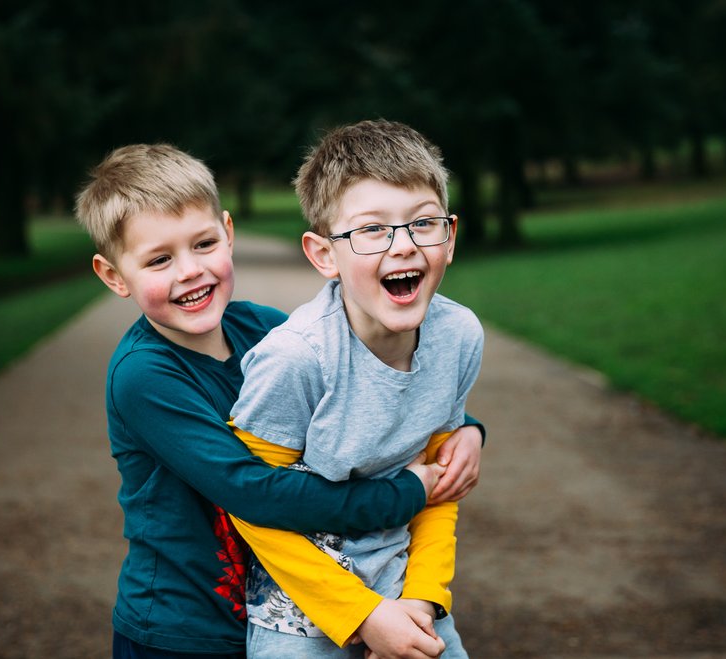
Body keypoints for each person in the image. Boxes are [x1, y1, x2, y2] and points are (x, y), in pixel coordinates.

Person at [73, 143, 485, 659]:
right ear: (114, 275)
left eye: (203, 244)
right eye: (159, 259)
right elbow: (250, 490)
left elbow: (359, 392)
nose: (189, 271)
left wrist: (466, 427)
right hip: (185, 624)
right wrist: (406, 493)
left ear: (228, 232)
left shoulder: (266, 329)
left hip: (291, 603)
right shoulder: (144, 376)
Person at [228, 119, 483, 658]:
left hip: (403, 586)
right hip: (300, 612)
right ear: (324, 255)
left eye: (423, 224)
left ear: (450, 237)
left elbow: (440, 484)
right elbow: (252, 509)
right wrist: (362, 617)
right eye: (372, 229)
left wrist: (422, 598)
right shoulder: (296, 359)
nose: (404, 247)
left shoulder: (458, 337)